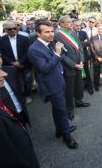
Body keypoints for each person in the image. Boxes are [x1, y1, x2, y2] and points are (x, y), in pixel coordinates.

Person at [27, 20, 78, 149]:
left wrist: (57, 53)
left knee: (57, 109)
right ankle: (67, 138)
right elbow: (44, 68)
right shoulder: (34, 49)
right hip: (51, 85)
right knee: (62, 110)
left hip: (59, 80)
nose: (51, 34)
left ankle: (60, 130)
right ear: (38, 33)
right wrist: (57, 53)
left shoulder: (50, 43)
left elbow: (56, 60)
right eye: (47, 32)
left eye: (52, 31)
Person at [54, 16, 89, 121]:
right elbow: (62, 55)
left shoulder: (73, 32)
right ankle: (70, 109)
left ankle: (79, 101)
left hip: (80, 64)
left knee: (79, 84)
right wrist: (74, 65)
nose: (71, 24)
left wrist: (82, 60)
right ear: (61, 24)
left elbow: (80, 47)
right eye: (68, 22)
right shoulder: (57, 35)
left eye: (71, 22)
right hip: (69, 67)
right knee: (69, 90)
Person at [0, 22, 33, 104]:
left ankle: (27, 95)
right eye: (10, 29)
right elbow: (1, 53)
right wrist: (12, 63)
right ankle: (18, 96)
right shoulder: (1, 40)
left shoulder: (24, 38)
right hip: (10, 65)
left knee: (27, 81)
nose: (13, 30)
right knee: (14, 81)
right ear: (5, 30)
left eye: (15, 28)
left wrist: (20, 62)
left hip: (25, 64)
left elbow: (28, 52)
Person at [73, 19, 94, 95]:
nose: (79, 27)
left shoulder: (83, 33)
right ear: (73, 25)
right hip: (74, 57)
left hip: (84, 56)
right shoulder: (70, 34)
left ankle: (89, 87)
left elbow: (88, 43)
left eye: (80, 25)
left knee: (86, 72)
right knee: (77, 74)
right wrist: (82, 43)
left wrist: (77, 44)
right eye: (77, 25)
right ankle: (78, 89)